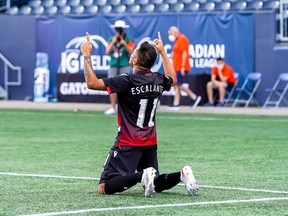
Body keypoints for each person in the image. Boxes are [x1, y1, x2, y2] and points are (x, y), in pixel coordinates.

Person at [80, 31, 199, 197]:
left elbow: (92, 83)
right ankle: (182, 175)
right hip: (150, 141)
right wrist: (163, 52)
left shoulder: (127, 80)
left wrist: (86, 54)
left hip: (128, 142)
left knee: (104, 187)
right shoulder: (158, 79)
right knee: (155, 184)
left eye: (134, 50)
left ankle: (142, 175)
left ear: (135, 60)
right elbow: (173, 77)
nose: (132, 51)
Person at [104, 20, 135, 115]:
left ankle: (124, 107)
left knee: (125, 86)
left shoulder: (129, 39)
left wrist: (124, 43)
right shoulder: (111, 39)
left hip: (124, 64)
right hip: (113, 64)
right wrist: (113, 42)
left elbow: (131, 51)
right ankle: (113, 106)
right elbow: (107, 51)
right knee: (111, 85)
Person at [167, 26, 201, 109]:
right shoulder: (177, 40)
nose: (170, 35)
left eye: (170, 33)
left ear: (175, 32)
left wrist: (182, 66)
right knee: (177, 85)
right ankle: (176, 103)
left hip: (181, 67)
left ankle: (194, 97)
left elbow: (184, 53)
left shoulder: (182, 39)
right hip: (177, 67)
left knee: (179, 85)